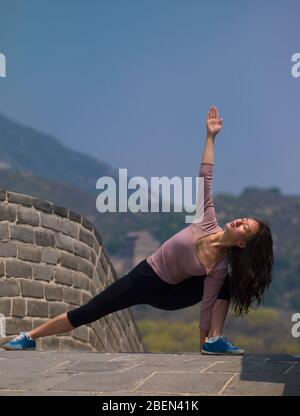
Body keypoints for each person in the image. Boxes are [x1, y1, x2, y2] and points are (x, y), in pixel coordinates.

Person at [0, 105, 273, 354]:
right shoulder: (206, 219)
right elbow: (205, 175)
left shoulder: (218, 267)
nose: (239, 221)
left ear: (242, 244)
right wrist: (211, 137)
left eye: (245, 228)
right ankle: (29, 336)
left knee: (224, 283)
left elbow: (207, 305)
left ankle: (214, 341)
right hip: (145, 277)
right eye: (244, 219)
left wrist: (202, 342)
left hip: (172, 295)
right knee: (89, 312)